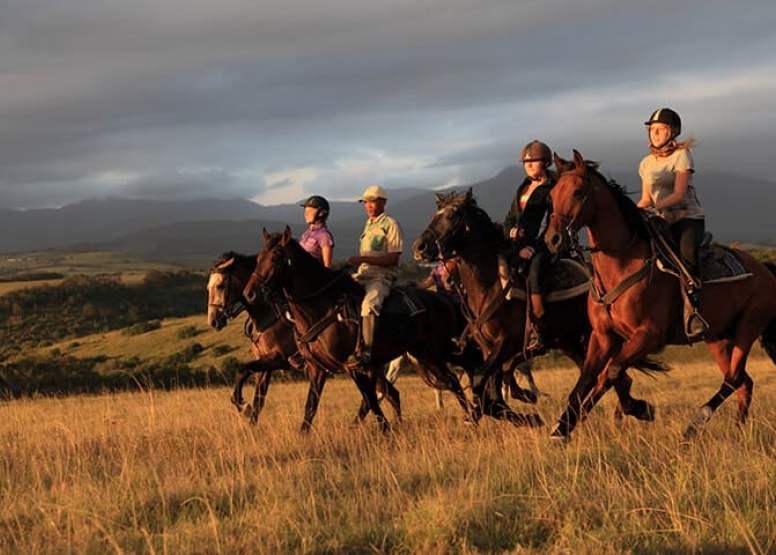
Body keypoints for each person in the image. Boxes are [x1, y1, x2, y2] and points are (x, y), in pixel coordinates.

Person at [636, 107, 709, 338]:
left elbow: (678, 194)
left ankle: (695, 311)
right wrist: (632, 211)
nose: (655, 134)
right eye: (652, 130)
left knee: (686, 253)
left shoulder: (682, 156)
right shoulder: (645, 163)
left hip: (687, 218)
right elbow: (646, 199)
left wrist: (655, 209)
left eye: (661, 129)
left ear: (673, 132)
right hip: (660, 221)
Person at [502, 140, 556, 351]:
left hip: (545, 246)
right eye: (526, 163)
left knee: (534, 272)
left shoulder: (553, 188)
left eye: (534, 161)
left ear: (546, 162)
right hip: (519, 245)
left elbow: (550, 224)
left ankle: (538, 327)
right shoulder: (522, 188)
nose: (530, 166)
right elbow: (509, 219)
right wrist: (511, 232)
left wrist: (533, 247)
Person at [346, 185, 404, 367]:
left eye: (372, 201)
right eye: (366, 202)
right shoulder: (369, 224)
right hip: (363, 274)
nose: (368, 205)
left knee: (369, 306)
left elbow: (393, 259)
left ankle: (367, 353)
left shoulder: (391, 224)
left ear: (383, 202)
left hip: (381, 276)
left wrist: (363, 258)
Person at [299, 195, 335, 268]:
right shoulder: (306, 234)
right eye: (305, 211)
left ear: (321, 213)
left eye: (309, 211)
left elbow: (327, 264)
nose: (306, 214)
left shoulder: (324, 235)